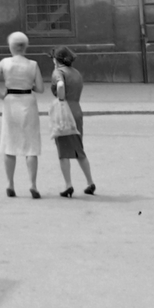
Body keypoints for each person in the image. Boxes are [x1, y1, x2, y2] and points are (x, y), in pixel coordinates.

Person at [0, 31, 45, 198]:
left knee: (10, 143)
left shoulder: (5, 62)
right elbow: (40, 89)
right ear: (26, 47)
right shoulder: (33, 64)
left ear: (10, 47)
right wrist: (28, 85)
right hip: (28, 101)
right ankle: (32, 184)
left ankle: (10, 184)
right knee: (31, 145)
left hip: (10, 101)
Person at [49, 46, 95, 197]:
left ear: (57, 59)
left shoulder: (58, 72)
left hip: (64, 111)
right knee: (79, 149)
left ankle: (68, 184)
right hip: (76, 109)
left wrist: (61, 98)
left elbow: (60, 85)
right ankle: (90, 182)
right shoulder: (76, 73)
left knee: (63, 152)